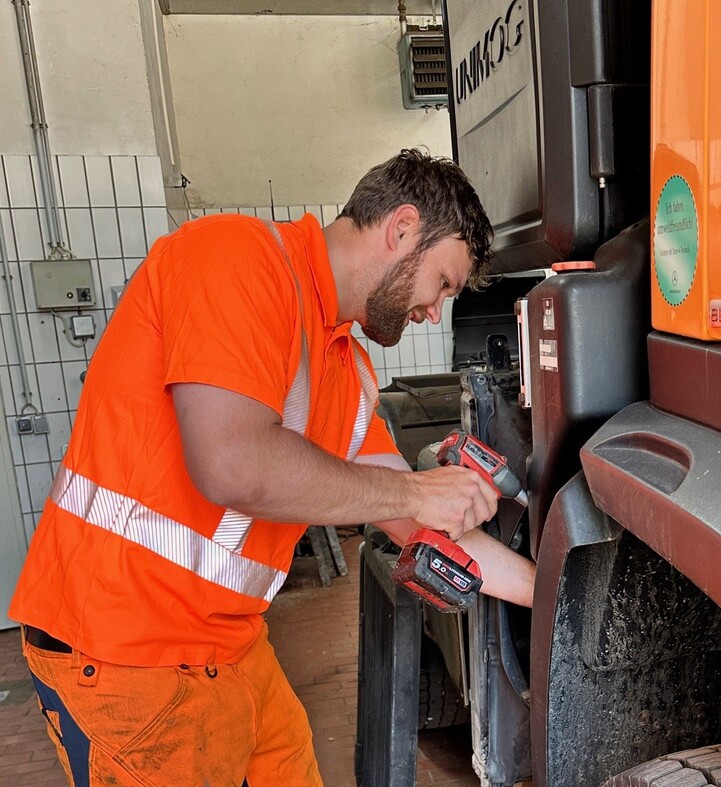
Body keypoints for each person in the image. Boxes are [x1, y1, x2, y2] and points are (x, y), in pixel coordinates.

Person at [8, 148, 536, 786]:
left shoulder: (344, 363)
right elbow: (232, 464)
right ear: (400, 229)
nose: (434, 311)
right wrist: (419, 492)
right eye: (443, 284)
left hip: (229, 648)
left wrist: (546, 590)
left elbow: (407, 517)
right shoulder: (234, 259)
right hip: (125, 655)